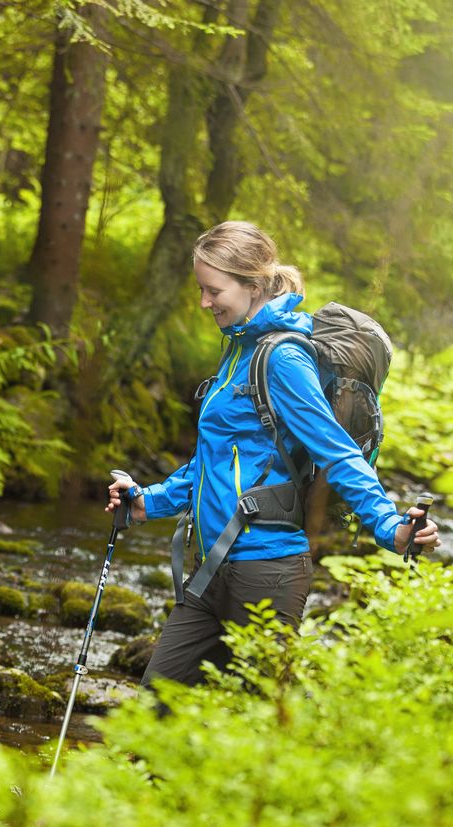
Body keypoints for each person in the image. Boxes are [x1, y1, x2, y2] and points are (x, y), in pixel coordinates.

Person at [107, 221, 441, 688]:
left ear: (253, 285)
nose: (204, 302)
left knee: (263, 726)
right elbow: (217, 461)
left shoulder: (281, 359)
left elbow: (337, 452)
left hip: (265, 574)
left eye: (213, 290)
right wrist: (149, 501)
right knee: (152, 717)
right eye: (201, 289)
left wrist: (390, 528)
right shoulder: (237, 350)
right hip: (209, 570)